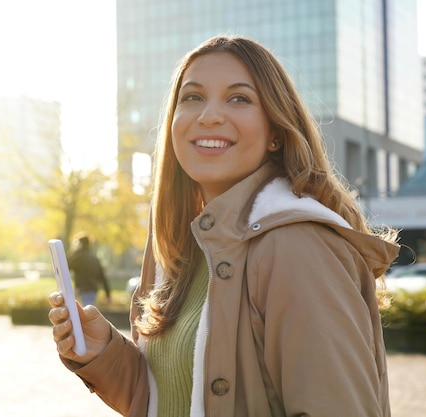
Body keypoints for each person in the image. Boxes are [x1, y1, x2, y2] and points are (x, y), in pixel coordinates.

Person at [49, 35, 399, 417]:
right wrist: (104, 353)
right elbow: (175, 399)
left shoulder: (298, 246)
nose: (209, 116)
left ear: (276, 133)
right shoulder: (183, 247)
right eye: (193, 97)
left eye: (239, 98)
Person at [67, 233, 111, 306]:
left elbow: (66, 265)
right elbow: (103, 277)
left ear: (79, 244)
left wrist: (73, 252)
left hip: (83, 290)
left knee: (86, 313)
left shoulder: (78, 258)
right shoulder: (94, 258)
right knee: (86, 311)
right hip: (92, 290)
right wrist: (108, 294)